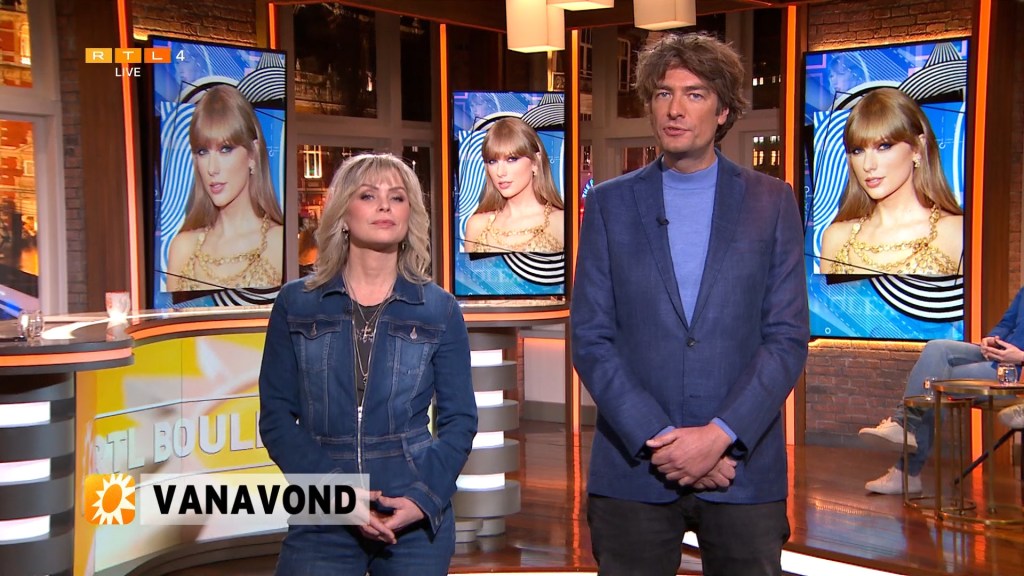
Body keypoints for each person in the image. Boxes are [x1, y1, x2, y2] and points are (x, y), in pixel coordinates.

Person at [570, 33, 809, 576]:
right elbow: (591, 338)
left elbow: (787, 336)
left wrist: (719, 436)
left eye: (694, 94)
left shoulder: (772, 201)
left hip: (742, 469)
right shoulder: (608, 204)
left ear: (723, 111)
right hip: (634, 470)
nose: (675, 109)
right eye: (663, 93)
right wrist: (665, 443)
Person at [258, 153, 477, 574]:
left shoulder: (439, 309)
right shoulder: (296, 303)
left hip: (411, 507)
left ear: (409, 216)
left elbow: (460, 421)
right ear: (343, 214)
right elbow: (276, 419)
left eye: (397, 197)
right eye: (368, 195)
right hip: (324, 507)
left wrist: (423, 498)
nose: (384, 206)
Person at [860, 286, 1024, 494]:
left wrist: (1020, 357)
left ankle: (907, 465)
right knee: (937, 348)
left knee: (933, 382)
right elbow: (1007, 323)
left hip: (1014, 370)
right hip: (1000, 357)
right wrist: (992, 339)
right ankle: (903, 430)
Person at [820, 88, 963, 275]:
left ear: (917, 148)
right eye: (858, 151)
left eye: (883, 146)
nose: (868, 165)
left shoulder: (957, 232)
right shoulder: (835, 238)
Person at [167, 85, 285, 291]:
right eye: (203, 152)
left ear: (252, 154)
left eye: (225, 149)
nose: (212, 169)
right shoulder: (182, 249)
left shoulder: (280, 243)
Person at [464, 117, 565, 253]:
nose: (500, 172)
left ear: (535, 162)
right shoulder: (476, 226)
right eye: (492, 161)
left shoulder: (561, 222)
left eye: (511, 159)